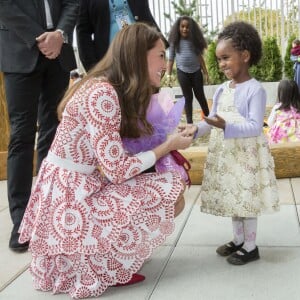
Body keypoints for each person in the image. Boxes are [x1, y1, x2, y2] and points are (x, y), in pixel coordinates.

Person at [18, 23, 194, 299]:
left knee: (166, 188)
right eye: (160, 55)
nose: (165, 63)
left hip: (73, 190)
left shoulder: (105, 88)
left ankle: (112, 257)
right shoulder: (103, 94)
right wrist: (169, 145)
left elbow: (120, 150)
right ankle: (107, 267)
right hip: (73, 199)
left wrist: (171, 135)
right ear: (138, 56)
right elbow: (118, 170)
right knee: (170, 192)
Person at [191, 21, 280, 265]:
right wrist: (194, 129)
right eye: (219, 59)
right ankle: (238, 240)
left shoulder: (255, 90)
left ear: (245, 55)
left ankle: (251, 246)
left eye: (226, 58)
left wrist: (225, 126)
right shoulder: (222, 89)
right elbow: (212, 120)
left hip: (246, 155)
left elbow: (254, 126)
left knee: (246, 200)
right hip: (228, 155)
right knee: (234, 197)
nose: (221, 65)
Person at [0, 0, 79, 252]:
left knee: (52, 134)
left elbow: (72, 3)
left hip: (58, 55)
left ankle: (48, 213)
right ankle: (22, 221)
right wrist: (40, 39)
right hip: (19, 51)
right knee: (22, 137)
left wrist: (60, 35)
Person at [76, 0, 168, 72]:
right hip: (109, 62)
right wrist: (92, 67)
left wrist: (159, 53)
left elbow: (146, 16)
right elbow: (83, 32)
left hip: (142, 56)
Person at [122, 90, 191, 185]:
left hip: (158, 162)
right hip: (134, 166)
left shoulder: (161, 97)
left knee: (177, 188)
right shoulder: (119, 98)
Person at [166, 15, 210, 124]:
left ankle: (210, 119)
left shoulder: (194, 40)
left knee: (200, 96)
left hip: (196, 72)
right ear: (178, 27)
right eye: (182, 26)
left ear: (191, 28)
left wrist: (205, 73)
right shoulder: (174, 41)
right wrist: (168, 75)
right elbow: (171, 59)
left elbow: (200, 58)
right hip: (182, 72)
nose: (185, 29)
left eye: (187, 27)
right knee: (188, 97)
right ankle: (189, 123)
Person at [267, 79, 300, 144]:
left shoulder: (278, 108)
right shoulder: (298, 107)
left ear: (281, 93)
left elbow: (270, 123)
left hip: (280, 143)